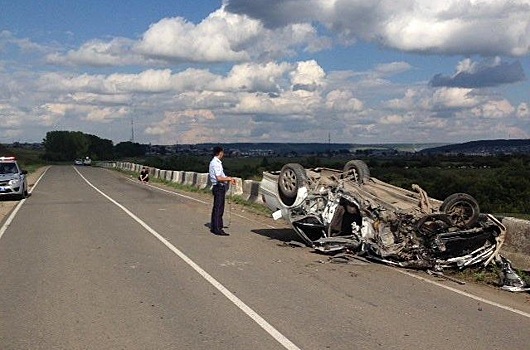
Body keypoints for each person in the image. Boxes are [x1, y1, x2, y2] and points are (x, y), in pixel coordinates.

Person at [209, 146, 236, 236]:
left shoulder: (216, 162)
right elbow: (219, 178)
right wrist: (228, 179)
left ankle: (215, 226)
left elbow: (222, 175)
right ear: (220, 153)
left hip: (218, 186)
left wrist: (229, 179)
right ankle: (217, 228)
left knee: (217, 208)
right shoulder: (216, 163)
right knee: (219, 208)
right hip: (218, 187)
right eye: (222, 152)